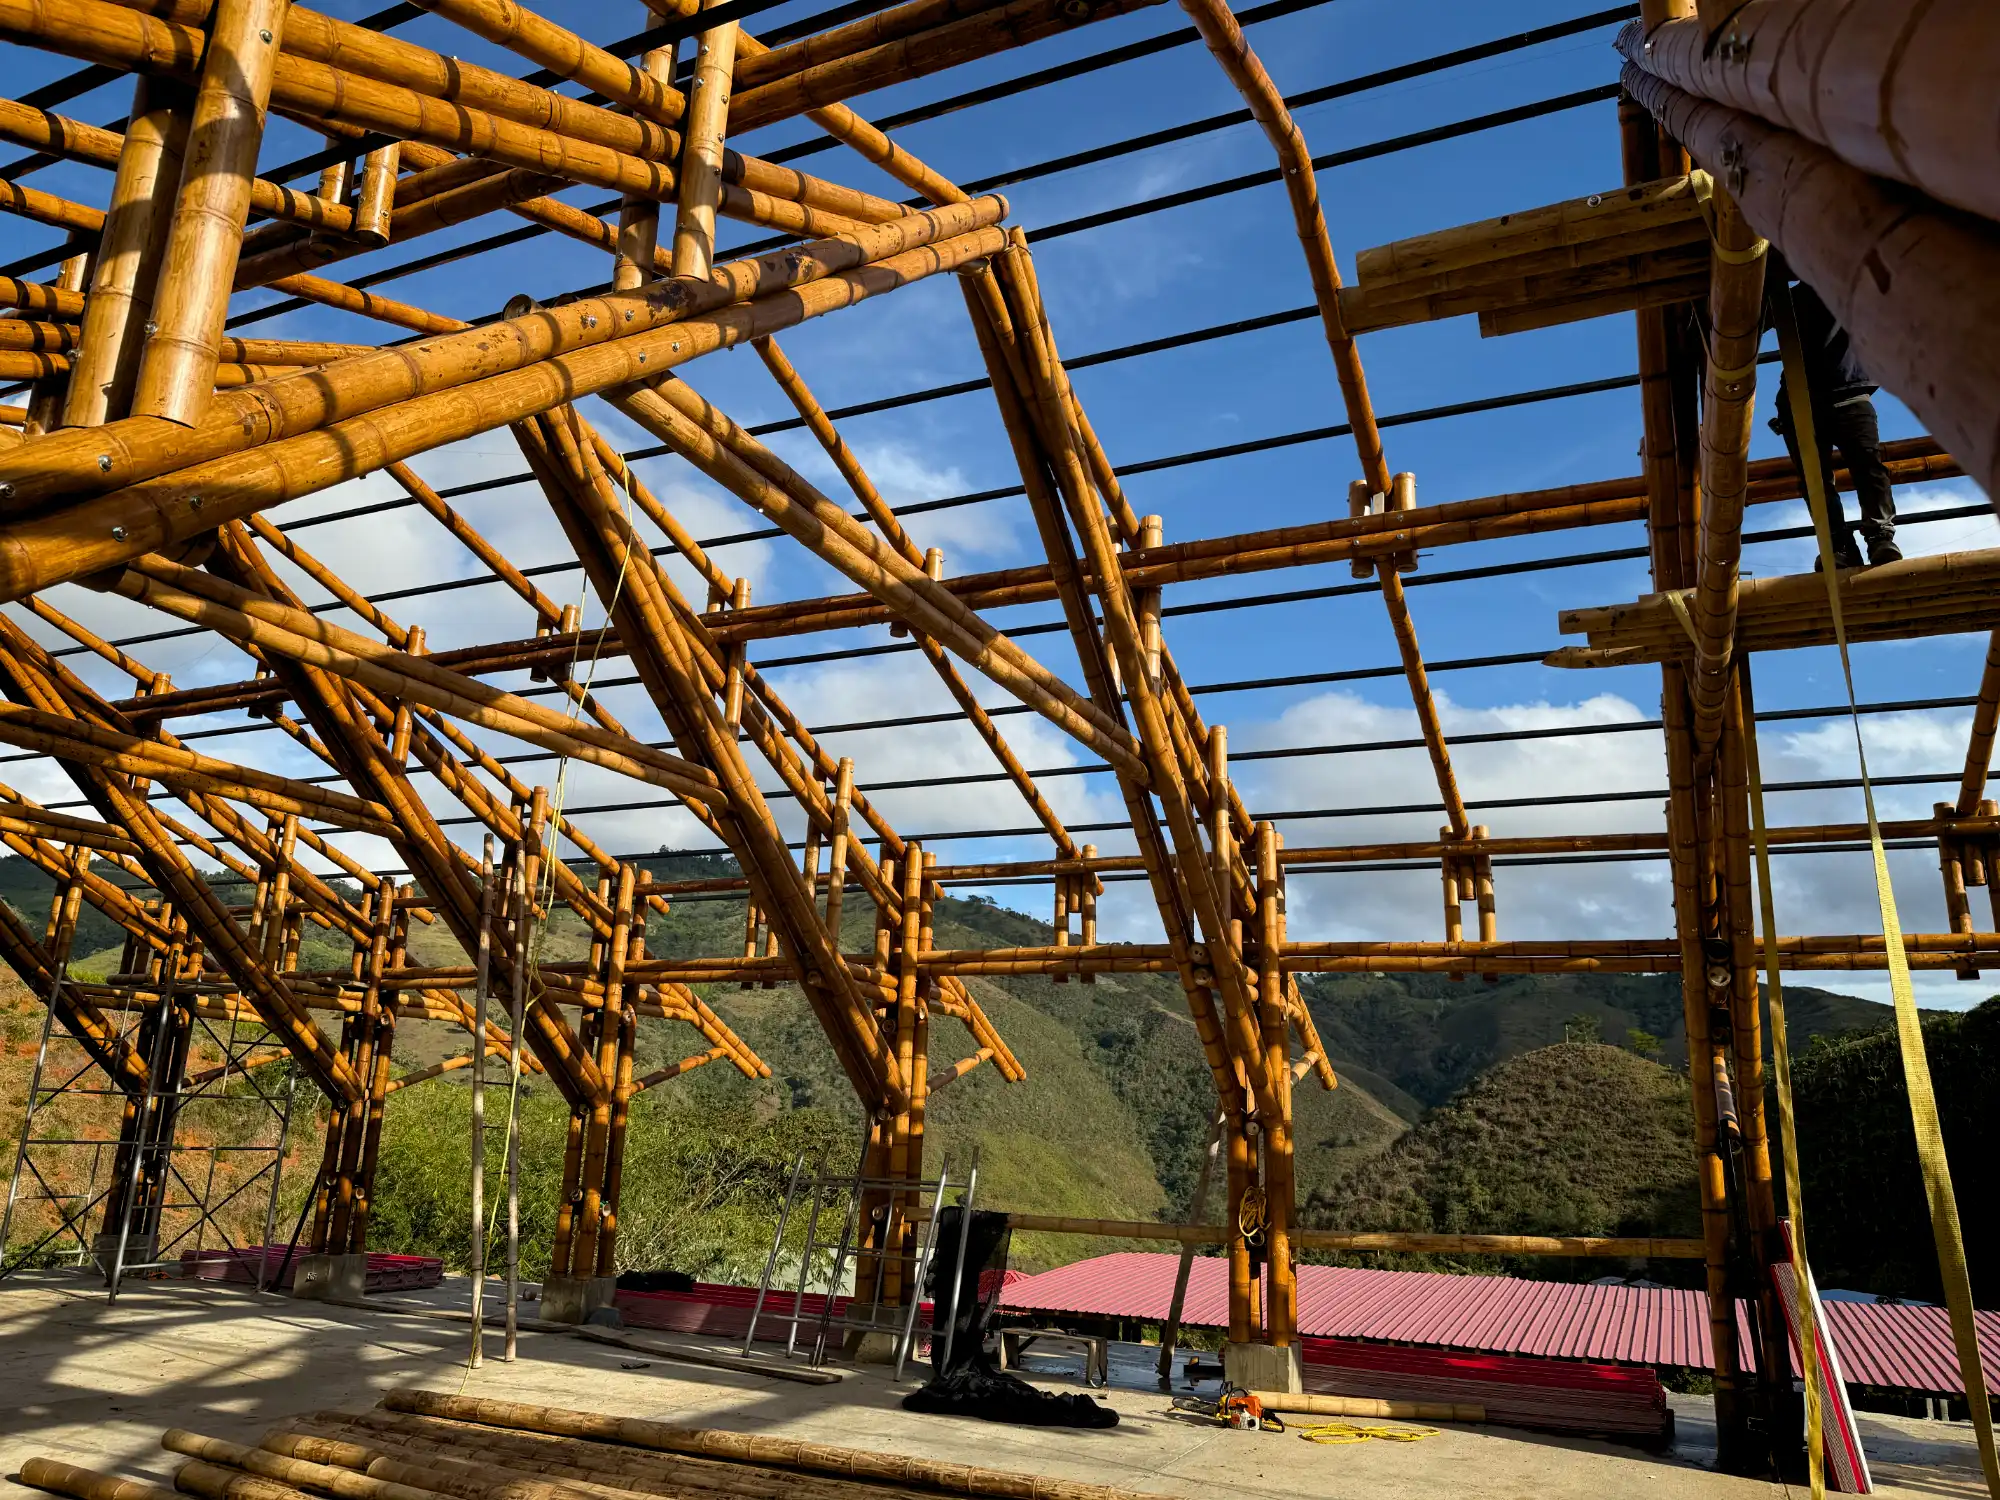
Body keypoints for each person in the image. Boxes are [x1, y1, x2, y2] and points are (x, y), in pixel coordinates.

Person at [1769, 279, 1900, 569]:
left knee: (1867, 468)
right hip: (1802, 402)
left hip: (1845, 392)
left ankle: (1877, 537)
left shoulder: (1854, 284)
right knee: (1821, 480)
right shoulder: (1786, 299)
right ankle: (1840, 544)